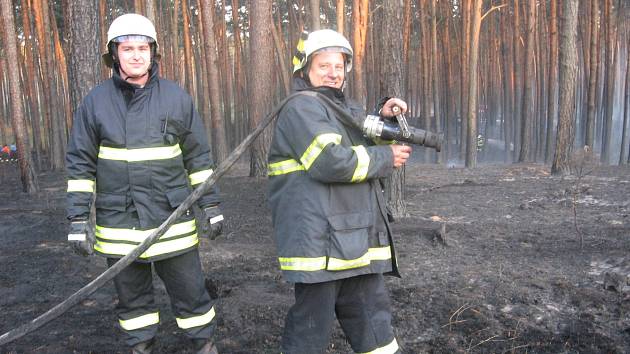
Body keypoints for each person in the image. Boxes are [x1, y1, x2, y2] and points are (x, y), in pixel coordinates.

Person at [65, 13, 223, 354]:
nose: (136, 55)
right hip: (119, 224)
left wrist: (210, 206)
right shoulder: (95, 102)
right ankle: (141, 347)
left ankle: (204, 346)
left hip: (172, 222)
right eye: (127, 48)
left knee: (192, 294)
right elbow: (80, 163)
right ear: (113, 54)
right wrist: (78, 219)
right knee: (133, 302)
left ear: (153, 52)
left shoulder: (176, 98)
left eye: (142, 48)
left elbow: (198, 158)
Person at [267, 29, 412, 354]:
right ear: (305, 70)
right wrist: (385, 157)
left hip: (353, 240)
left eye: (338, 66)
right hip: (320, 245)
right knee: (310, 332)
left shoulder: (341, 108)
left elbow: (357, 140)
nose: (333, 72)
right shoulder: (301, 109)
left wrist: (382, 116)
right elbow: (330, 162)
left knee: (375, 327)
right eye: (323, 66)